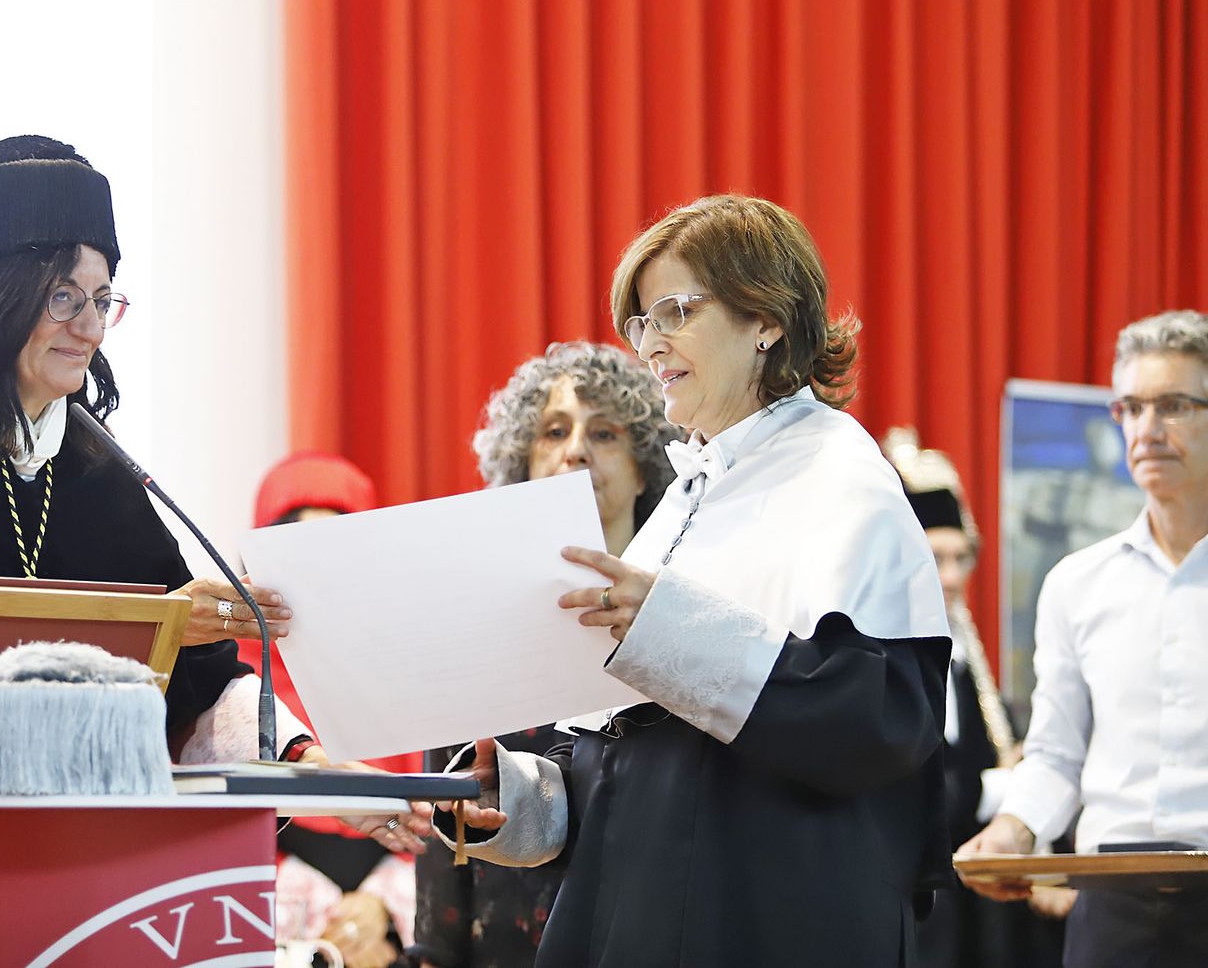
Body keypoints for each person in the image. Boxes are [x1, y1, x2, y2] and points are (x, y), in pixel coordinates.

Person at [434, 194, 953, 966]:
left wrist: (667, 626)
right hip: (634, 914)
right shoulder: (687, 495)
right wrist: (511, 795)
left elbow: (877, 722)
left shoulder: (841, 477)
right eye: (642, 321)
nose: (651, 343)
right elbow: (626, 766)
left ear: (765, 318)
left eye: (676, 311)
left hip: (760, 920)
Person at [0, 135, 312, 763]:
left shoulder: (93, 460)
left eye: (103, 300)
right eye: (64, 297)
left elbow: (205, 684)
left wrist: (309, 761)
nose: (90, 329)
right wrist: (153, 628)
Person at [408, 341, 678, 968]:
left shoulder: (679, 622)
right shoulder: (470, 634)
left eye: (604, 433)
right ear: (522, 465)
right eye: (554, 432)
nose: (576, 449)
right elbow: (444, 842)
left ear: (645, 468)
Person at [959, 309, 1208, 967]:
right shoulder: (1077, 583)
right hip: (1112, 908)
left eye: (1174, 405)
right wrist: (1013, 830)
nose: (1147, 429)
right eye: (1131, 407)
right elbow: (1056, 752)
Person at [884, 429, 1068, 968]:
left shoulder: (965, 656)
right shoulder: (881, 655)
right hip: (916, 908)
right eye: (936, 558)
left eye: (961, 558)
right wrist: (995, 789)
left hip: (979, 910)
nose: (951, 578)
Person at [244, 451, 421, 968]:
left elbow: (443, 812)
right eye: (295, 545)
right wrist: (317, 913)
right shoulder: (228, 669)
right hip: (270, 927)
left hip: (396, 932)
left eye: (334, 545)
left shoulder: (409, 663)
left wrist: (379, 909)